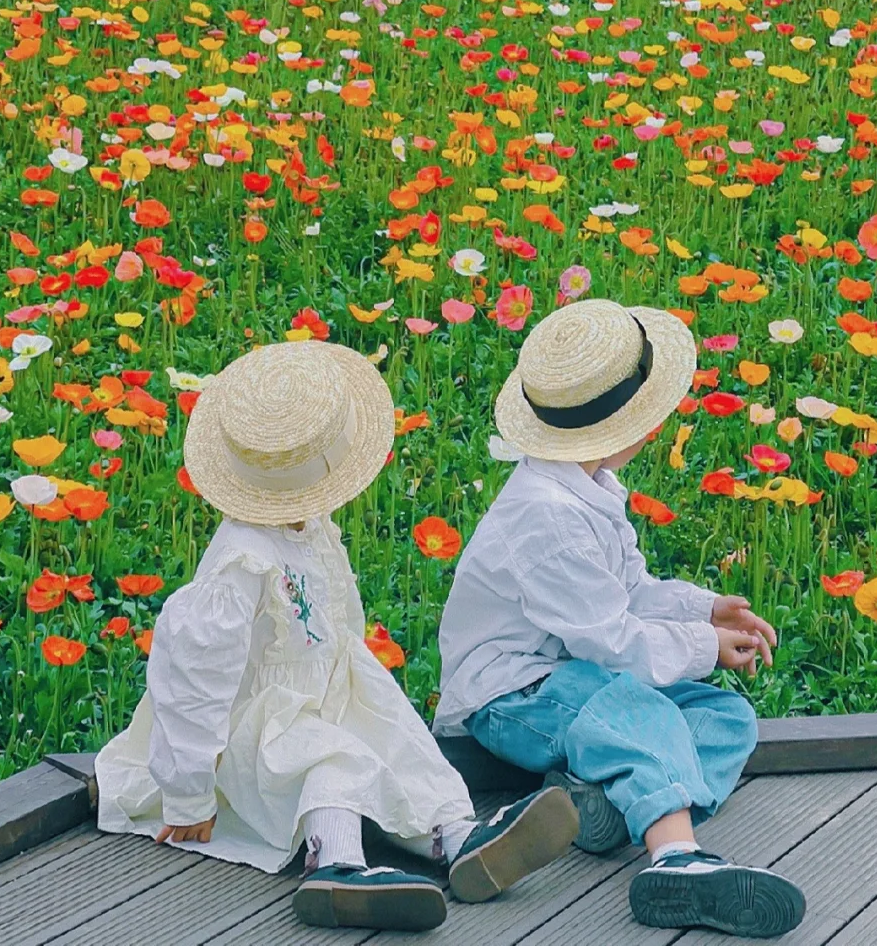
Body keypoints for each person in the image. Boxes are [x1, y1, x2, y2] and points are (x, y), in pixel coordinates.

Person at [96, 339, 578, 932]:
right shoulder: (241, 561)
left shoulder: (307, 525)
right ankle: (336, 865)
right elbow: (192, 678)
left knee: (398, 742)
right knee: (333, 759)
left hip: (327, 688)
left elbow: (333, 617)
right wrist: (189, 790)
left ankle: (455, 837)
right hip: (255, 728)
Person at [434, 298, 806, 939]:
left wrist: (701, 608)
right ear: (622, 429)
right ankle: (676, 859)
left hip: (577, 677)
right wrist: (704, 646)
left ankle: (603, 807)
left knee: (726, 717)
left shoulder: (587, 489)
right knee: (640, 709)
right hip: (512, 692)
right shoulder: (545, 516)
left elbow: (627, 591)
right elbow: (613, 643)